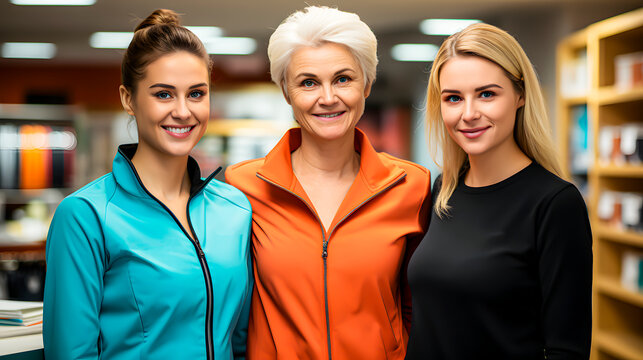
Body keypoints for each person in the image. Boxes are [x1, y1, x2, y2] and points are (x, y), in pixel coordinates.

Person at [43, 9, 252, 359]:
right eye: (164, 94)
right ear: (128, 99)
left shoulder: (235, 207)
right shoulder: (85, 216)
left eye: (197, 93)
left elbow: (241, 341)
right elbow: (70, 353)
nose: (184, 111)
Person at [225, 6, 431, 360]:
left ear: (367, 84)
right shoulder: (241, 186)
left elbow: (419, 307)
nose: (327, 97)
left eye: (343, 79)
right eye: (308, 82)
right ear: (286, 92)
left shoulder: (411, 186)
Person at [405, 23, 593, 359]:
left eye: (487, 94)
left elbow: (567, 348)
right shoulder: (443, 190)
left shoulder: (555, 204)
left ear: (520, 96)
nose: (469, 114)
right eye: (453, 98)